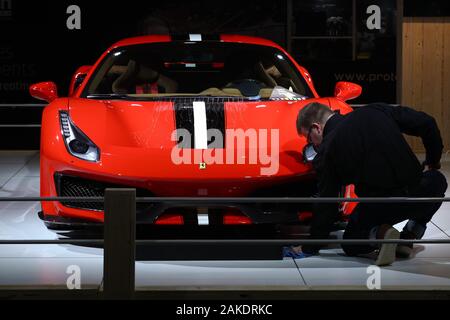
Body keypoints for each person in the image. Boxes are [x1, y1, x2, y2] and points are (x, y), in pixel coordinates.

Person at [290, 102, 447, 266]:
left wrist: (310, 246)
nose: (313, 144)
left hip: (381, 207)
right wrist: (433, 160)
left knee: (350, 241)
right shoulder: (376, 109)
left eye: (308, 138)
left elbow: (327, 204)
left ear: (317, 127)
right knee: (438, 180)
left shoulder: (326, 152)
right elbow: (427, 122)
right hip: (418, 195)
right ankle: (408, 237)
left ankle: (382, 233)